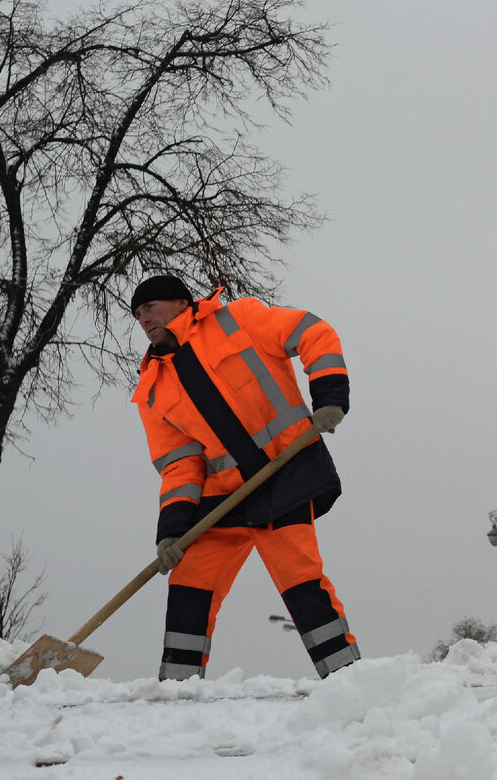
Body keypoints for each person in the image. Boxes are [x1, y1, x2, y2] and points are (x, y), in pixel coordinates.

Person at [129, 275, 359, 680]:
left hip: (284, 476)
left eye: (150, 307)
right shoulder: (153, 387)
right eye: (137, 314)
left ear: (181, 302)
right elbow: (180, 464)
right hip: (221, 501)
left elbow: (313, 332)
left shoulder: (239, 319)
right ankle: (176, 692)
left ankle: (347, 679)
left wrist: (329, 397)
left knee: (299, 580)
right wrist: (172, 529)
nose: (143, 319)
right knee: (189, 588)